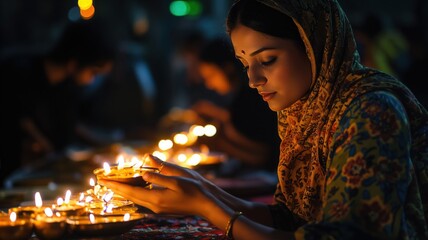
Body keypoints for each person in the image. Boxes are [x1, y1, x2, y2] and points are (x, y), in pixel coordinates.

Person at [99, 0, 428, 239]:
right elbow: (291, 219)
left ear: (315, 46)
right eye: (244, 64)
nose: (253, 79)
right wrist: (202, 188)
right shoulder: (301, 113)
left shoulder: (371, 111)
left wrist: (205, 206)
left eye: (267, 60)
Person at [0, 19, 117, 186]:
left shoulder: (66, 88)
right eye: (93, 72)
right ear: (74, 63)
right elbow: (20, 121)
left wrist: (107, 142)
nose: (92, 81)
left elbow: (72, 128)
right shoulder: (17, 73)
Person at [191, 37, 280, 172]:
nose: (209, 84)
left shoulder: (252, 98)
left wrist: (218, 143)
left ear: (227, 67)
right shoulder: (239, 98)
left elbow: (265, 156)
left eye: (211, 75)